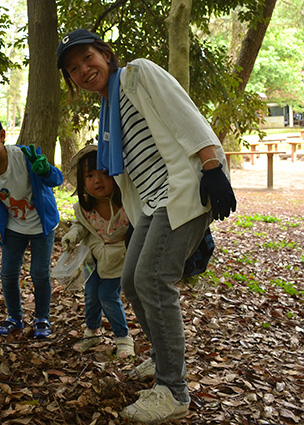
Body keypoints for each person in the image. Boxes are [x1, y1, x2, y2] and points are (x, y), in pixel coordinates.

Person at [57, 29, 236, 423]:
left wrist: (211, 166)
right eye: (73, 69)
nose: (84, 70)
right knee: (130, 283)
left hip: (182, 189)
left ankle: (173, 390)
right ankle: (160, 359)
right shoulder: (108, 108)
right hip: (151, 205)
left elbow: (182, 112)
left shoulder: (137, 75)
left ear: (105, 54)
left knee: (154, 280)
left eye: (88, 59)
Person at [0, 110, 63, 339]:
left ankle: (42, 317)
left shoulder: (24, 156)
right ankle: (15, 317)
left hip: (41, 226)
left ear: (2, 135)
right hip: (13, 229)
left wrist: (44, 170)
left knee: (39, 273)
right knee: (7, 274)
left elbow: (56, 179)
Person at [61, 144, 134, 359]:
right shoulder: (85, 207)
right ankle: (92, 332)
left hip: (118, 258)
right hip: (92, 258)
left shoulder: (127, 204)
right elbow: (81, 225)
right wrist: (72, 236)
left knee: (108, 296)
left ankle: (123, 337)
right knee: (91, 294)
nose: (97, 180)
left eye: (104, 173)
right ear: (82, 182)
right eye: (90, 176)